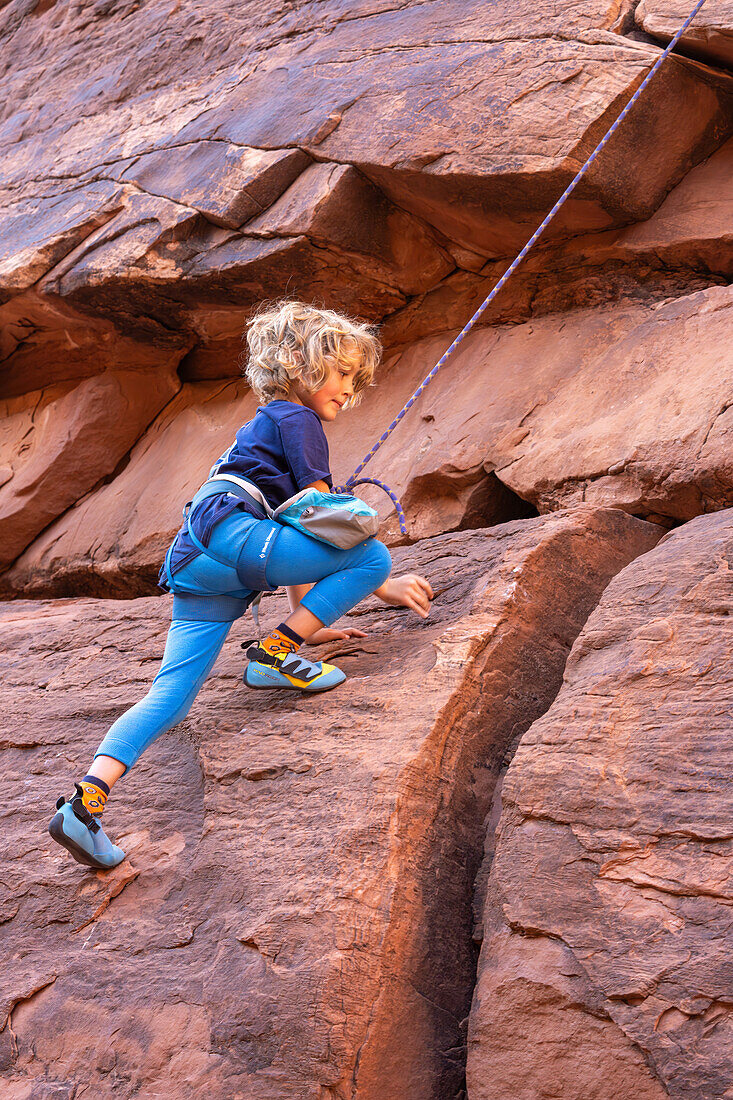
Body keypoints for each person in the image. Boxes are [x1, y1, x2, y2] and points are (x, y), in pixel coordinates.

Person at [48, 300, 434, 871]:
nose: (350, 391)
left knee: (169, 699)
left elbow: (299, 546)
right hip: (233, 533)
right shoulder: (296, 418)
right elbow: (321, 516)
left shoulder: (267, 423)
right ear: (302, 364)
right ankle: (274, 653)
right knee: (371, 554)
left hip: (199, 561)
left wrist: (314, 626)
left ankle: (83, 805)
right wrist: (383, 585)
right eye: (344, 373)